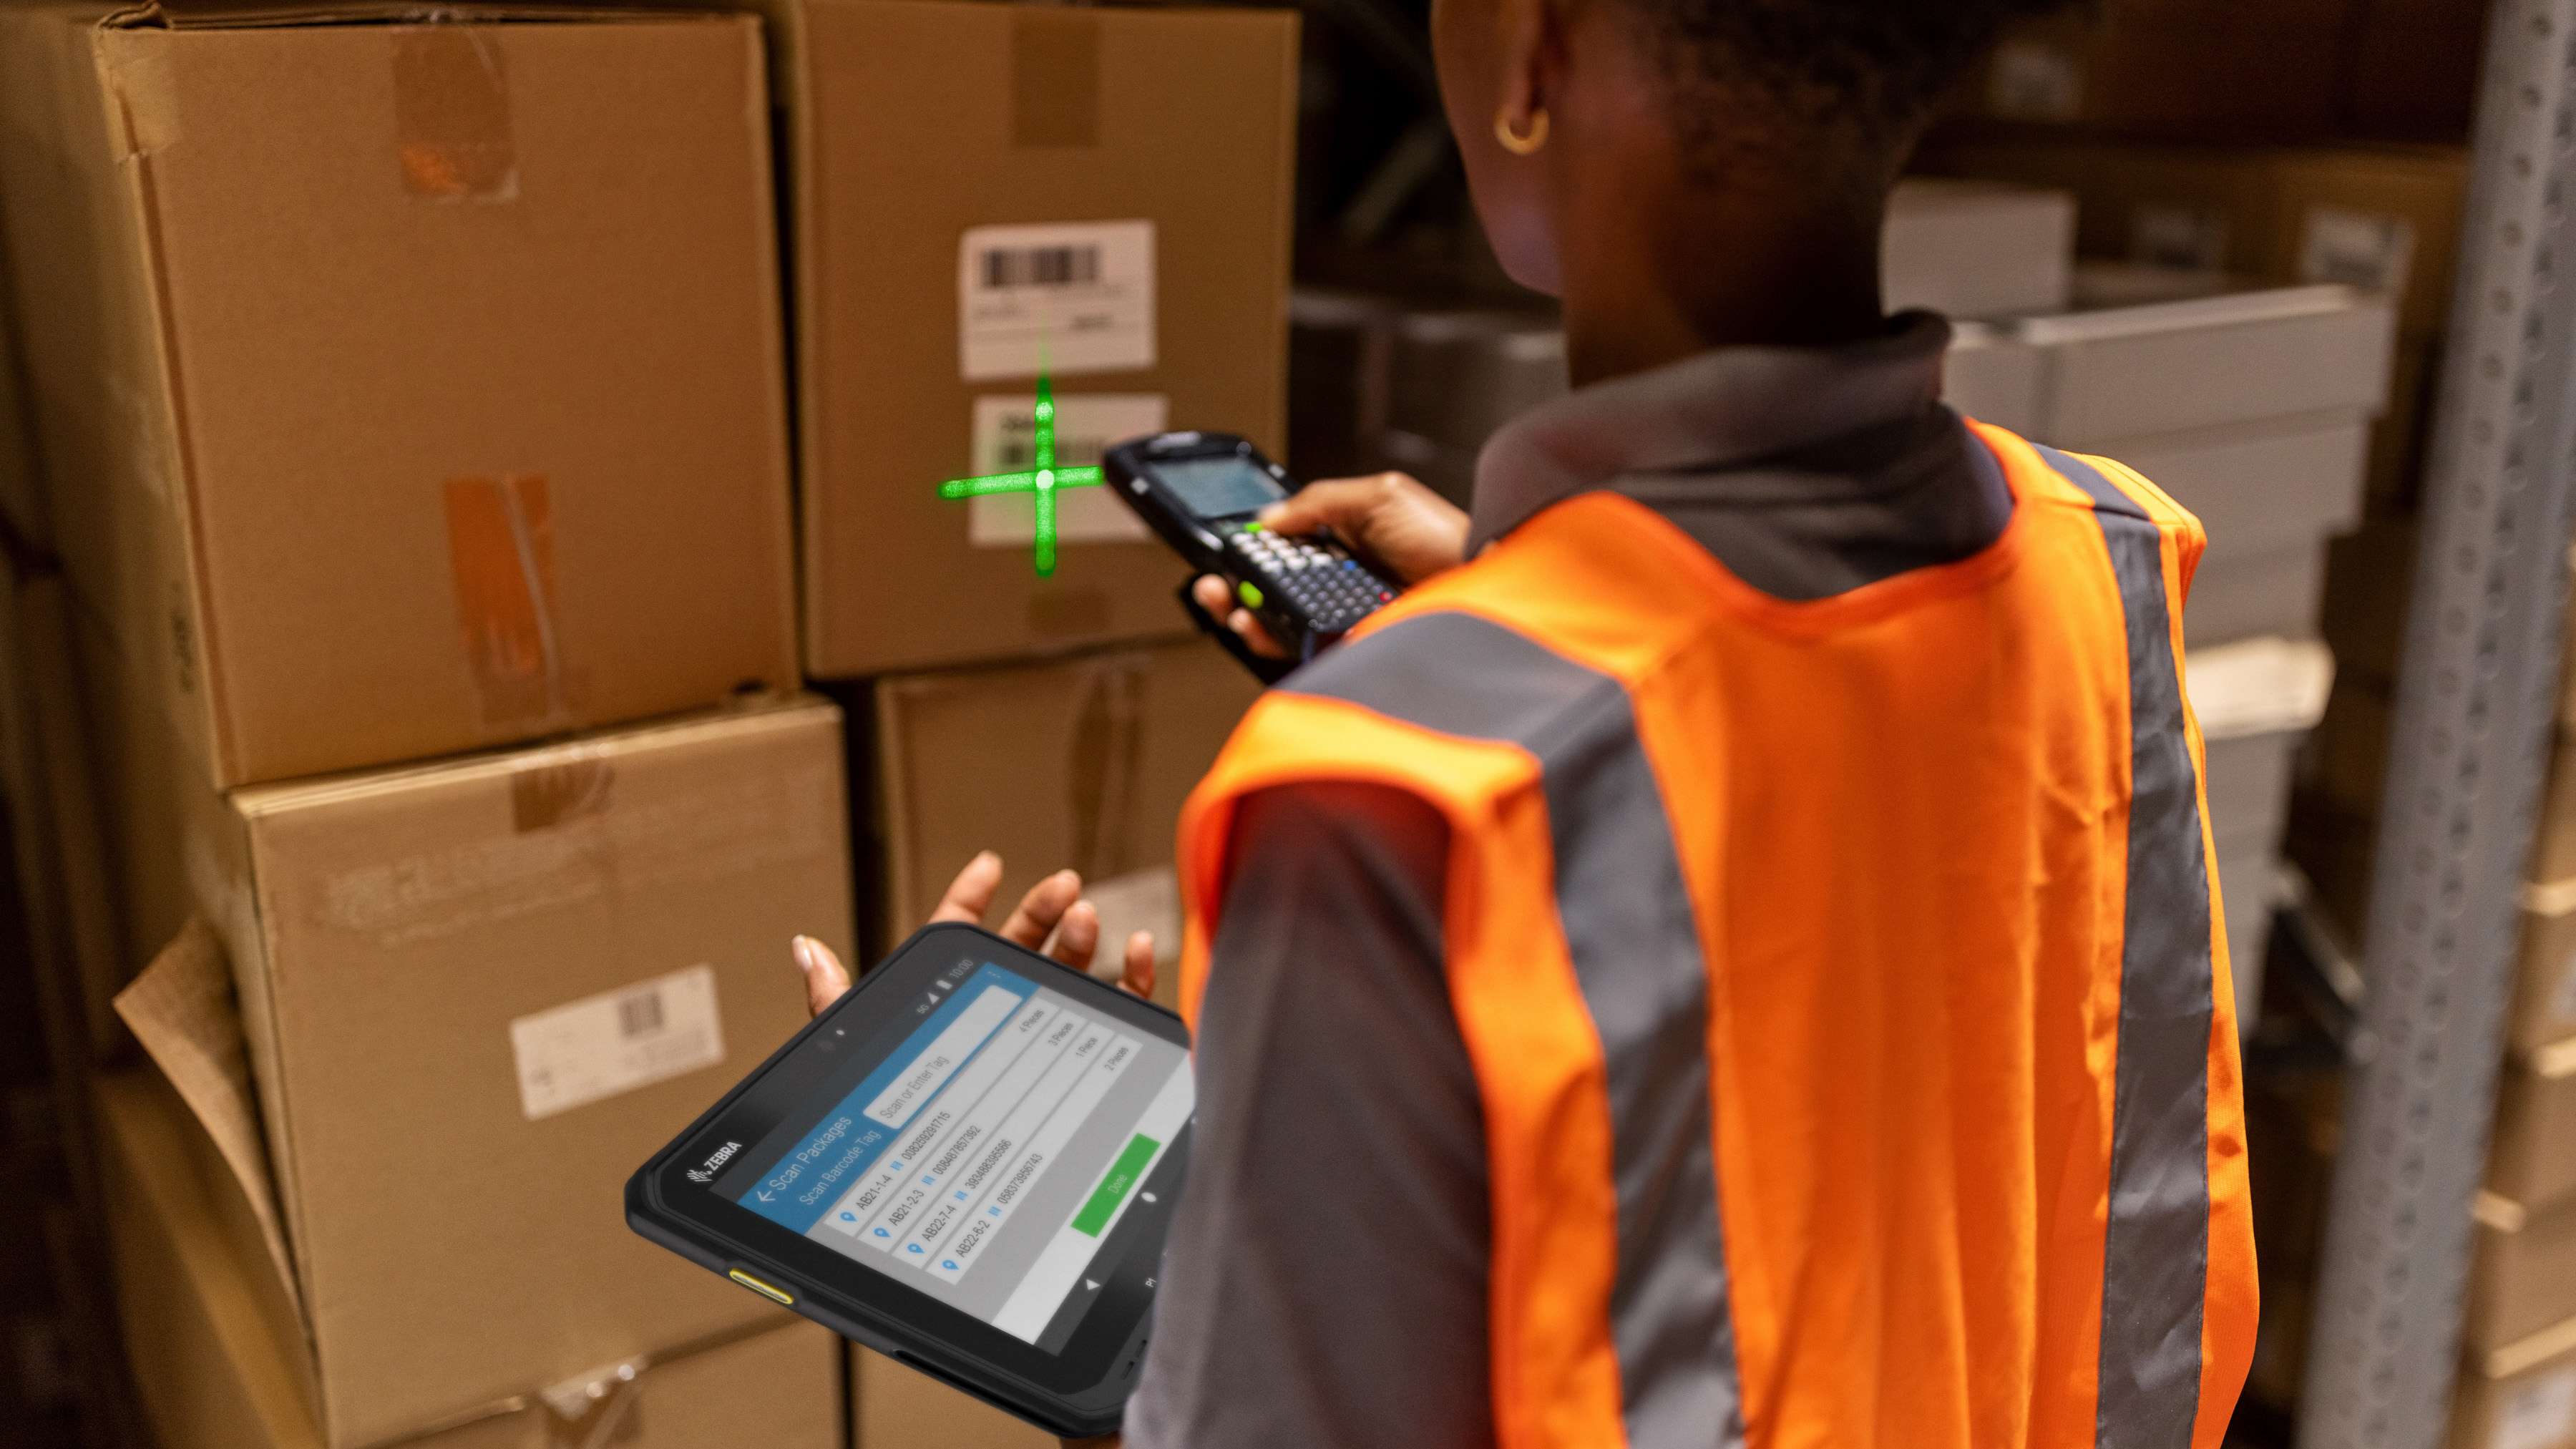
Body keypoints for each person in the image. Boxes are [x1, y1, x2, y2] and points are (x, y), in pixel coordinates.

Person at [801, 0, 2261, 1442]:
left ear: (1535, 51)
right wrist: (1532, 628)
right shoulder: (2101, 557)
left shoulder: (1405, 795)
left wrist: (966, 1220)